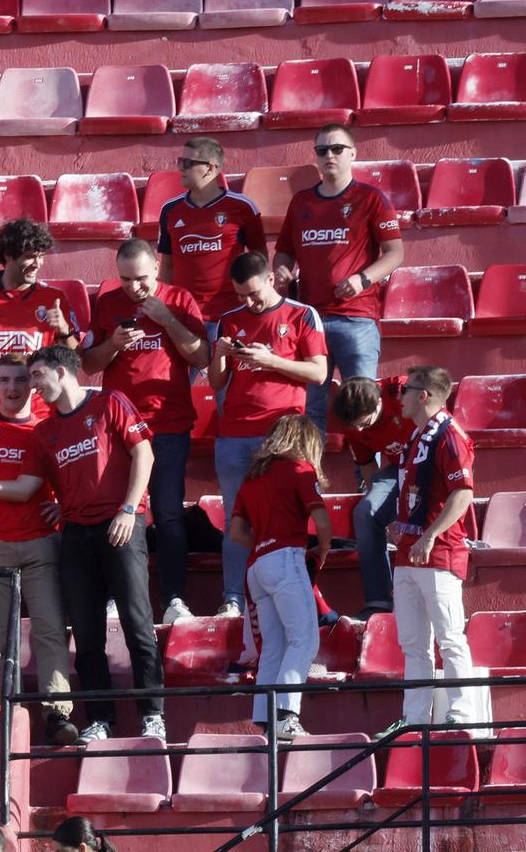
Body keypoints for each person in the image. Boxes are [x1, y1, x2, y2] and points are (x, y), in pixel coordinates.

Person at [0, 346, 162, 742]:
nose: (32, 386)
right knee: (86, 631)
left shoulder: (110, 401)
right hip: (75, 533)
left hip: (120, 525)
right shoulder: (46, 432)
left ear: (60, 372)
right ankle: (100, 718)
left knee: (136, 621)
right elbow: (29, 487)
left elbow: (144, 453)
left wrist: (129, 509)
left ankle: (152, 713)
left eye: (36, 376)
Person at [85, 239, 211, 625]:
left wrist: (167, 320)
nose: (133, 288)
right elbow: (88, 363)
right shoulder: (107, 302)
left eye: (140, 279)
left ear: (156, 268)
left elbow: (202, 356)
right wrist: (113, 345)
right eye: (125, 279)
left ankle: (174, 599)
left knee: (169, 511)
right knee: (117, 512)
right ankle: (115, 598)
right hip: (118, 427)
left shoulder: (179, 299)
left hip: (168, 423)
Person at [211, 252, 330, 617]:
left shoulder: (301, 314)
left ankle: (302, 593)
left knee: (288, 518)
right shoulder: (229, 320)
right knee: (236, 519)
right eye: (240, 295)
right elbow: (217, 381)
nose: (248, 302)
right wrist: (219, 353)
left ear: (270, 279)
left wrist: (271, 360)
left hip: (282, 436)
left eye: (253, 293)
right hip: (233, 433)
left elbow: (319, 373)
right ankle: (235, 597)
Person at [0, 356, 74, 745]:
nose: (12, 388)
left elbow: (75, 475)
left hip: (40, 542)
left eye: (21, 380)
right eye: (4, 380)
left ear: (32, 385)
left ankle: (57, 714)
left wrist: (66, 505)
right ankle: (8, 713)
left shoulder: (46, 431)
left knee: (49, 631)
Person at [276, 124, 405, 430]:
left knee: (363, 407)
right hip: (310, 320)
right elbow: (284, 252)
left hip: (356, 318)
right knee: (309, 409)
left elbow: (395, 253)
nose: (329, 156)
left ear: (353, 154)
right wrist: (281, 269)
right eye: (322, 150)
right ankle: (309, 478)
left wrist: (363, 278)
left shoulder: (371, 198)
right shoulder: (301, 202)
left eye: (337, 149)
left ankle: (371, 478)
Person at [388, 366, 489, 735]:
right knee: (414, 644)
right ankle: (415, 719)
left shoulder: (450, 435)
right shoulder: (417, 436)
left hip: (439, 551)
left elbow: (463, 494)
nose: (399, 396)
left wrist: (429, 535)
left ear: (423, 395)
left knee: (449, 636)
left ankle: (460, 714)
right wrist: (401, 526)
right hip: (408, 552)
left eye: (405, 389)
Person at [228, 414, 331, 738]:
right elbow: (323, 522)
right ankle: (286, 716)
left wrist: (262, 544)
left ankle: (267, 719)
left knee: (273, 646)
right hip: (286, 558)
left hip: (257, 565)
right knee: (305, 639)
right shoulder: (300, 469)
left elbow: (235, 533)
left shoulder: (252, 478)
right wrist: (322, 551)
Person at [0, 218, 81, 423]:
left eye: (41, 257)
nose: (37, 264)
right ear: (8, 255)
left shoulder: (53, 299)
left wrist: (64, 330)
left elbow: (77, 363)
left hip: (40, 419)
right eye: (29, 257)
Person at [157, 137, 266, 333]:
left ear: (211, 168)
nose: (181, 168)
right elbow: (167, 266)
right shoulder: (170, 210)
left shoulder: (242, 207)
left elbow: (259, 259)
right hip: (185, 316)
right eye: (180, 161)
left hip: (231, 314)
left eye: (188, 163)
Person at [330, 375, 413, 618]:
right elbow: (370, 472)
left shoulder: (404, 391)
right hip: (398, 470)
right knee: (366, 512)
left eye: (363, 422)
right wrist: (385, 511)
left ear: (378, 403)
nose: (357, 429)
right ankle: (378, 600)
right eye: (352, 424)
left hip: (432, 466)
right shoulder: (353, 425)